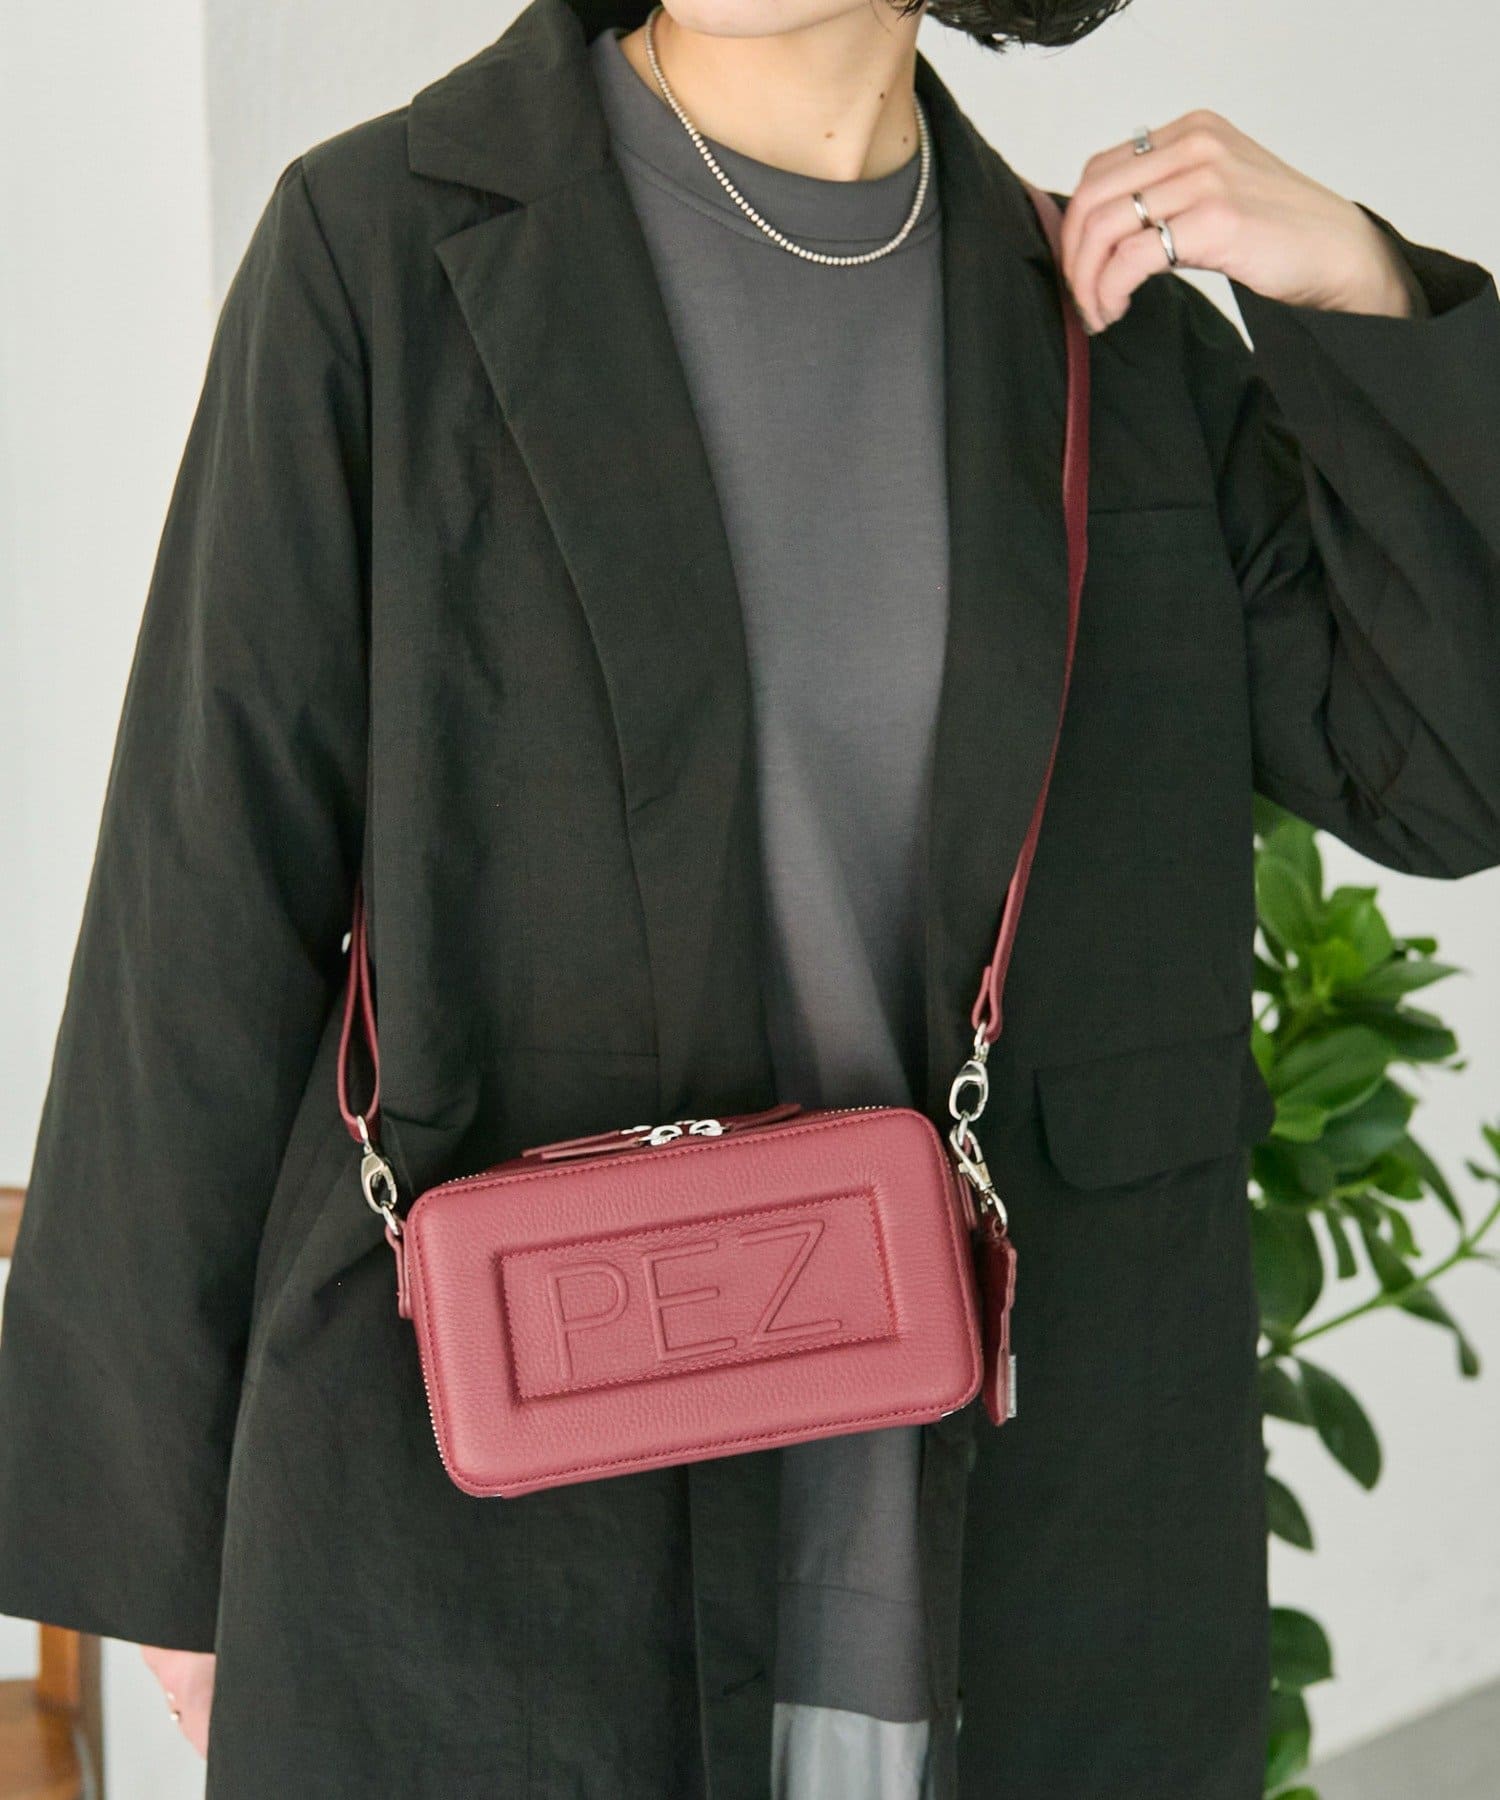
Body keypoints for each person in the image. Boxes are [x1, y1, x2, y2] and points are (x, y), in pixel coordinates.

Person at [1, 0, 1497, 1794]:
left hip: (1030, 1564)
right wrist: (164, 1543)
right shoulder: (384, 249)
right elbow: (203, 887)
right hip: (505, 1555)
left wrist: (1362, 289)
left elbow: (1444, 767)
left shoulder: (1110, 334)